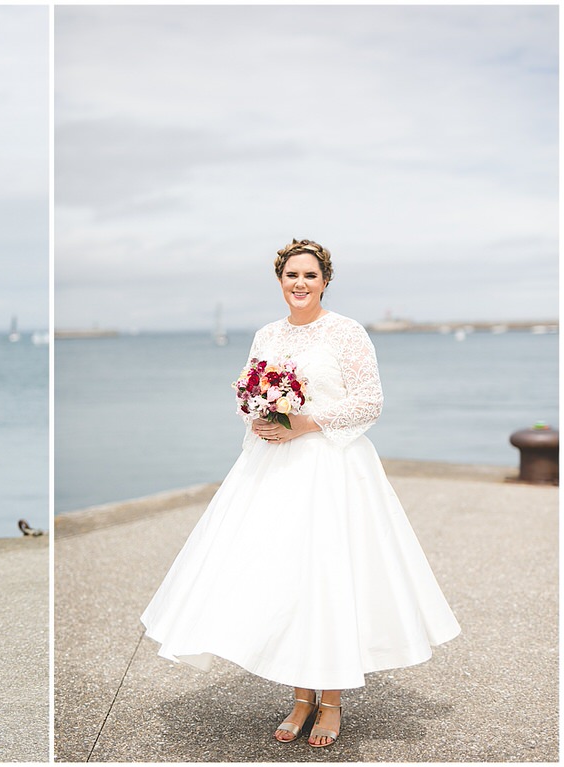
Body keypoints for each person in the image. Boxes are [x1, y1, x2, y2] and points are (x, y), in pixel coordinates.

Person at [140, 239, 460, 748]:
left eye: (310, 275)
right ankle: (300, 697)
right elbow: (247, 394)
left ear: (325, 281)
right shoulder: (266, 334)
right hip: (273, 468)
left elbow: (369, 401)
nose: (300, 283)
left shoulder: (347, 332)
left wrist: (305, 423)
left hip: (331, 467)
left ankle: (329, 704)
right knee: (287, 581)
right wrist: (262, 417)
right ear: (280, 280)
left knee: (327, 579)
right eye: (292, 275)